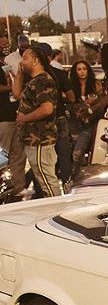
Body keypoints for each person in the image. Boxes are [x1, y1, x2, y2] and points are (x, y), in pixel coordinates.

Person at [15, 45, 61, 197]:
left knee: (47, 179)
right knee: (43, 179)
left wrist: (24, 118)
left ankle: (58, 209)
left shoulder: (43, 80)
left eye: (25, 58)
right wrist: (20, 73)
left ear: (35, 61)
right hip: (33, 141)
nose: (22, 61)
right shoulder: (33, 81)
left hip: (41, 140)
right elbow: (16, 94)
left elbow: (47, 108)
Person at [35, 41, 73, 184]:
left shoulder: (34, 76)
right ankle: (67, 183)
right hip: (60, 117)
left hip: (41, 121)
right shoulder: (60, 74)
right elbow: (71, 97)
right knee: (64, 154)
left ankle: (43, 189)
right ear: (51, 56)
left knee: (44, 157)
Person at [0, 39, 27, 200]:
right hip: (3, 118)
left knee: (18, 155)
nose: (5, 47)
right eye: (2, 45)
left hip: (16, 116)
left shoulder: (8, 63)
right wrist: (12, 88)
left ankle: (17, 190)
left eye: (6, 45)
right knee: (3, 156)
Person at [65, 59, 102, 170]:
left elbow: (101, 101)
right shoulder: (71, 86)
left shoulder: (95, 84)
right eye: (79, 69)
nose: (82, 72)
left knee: (79, 152)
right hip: (75, 125)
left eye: (84, 69)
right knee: (76, 154)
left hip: (91, 124)